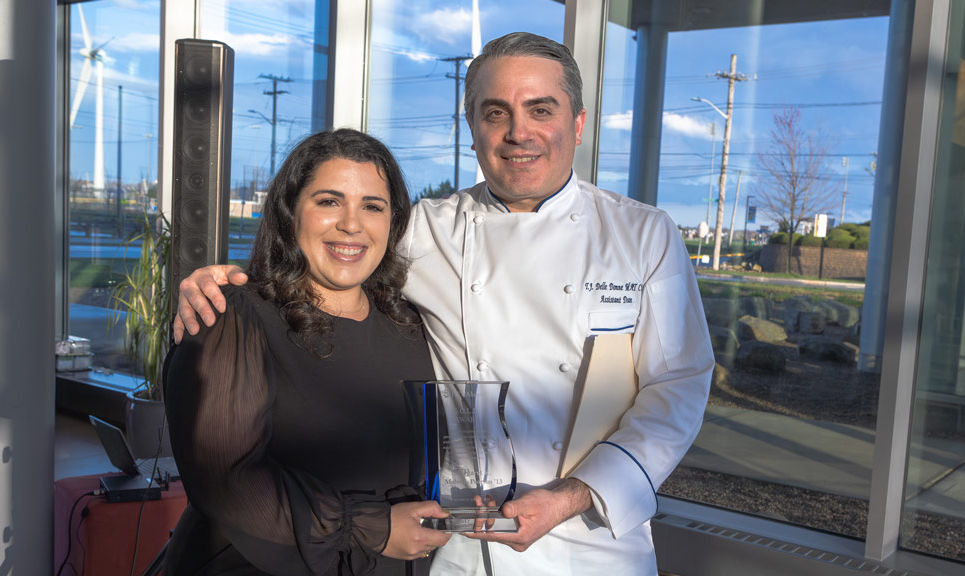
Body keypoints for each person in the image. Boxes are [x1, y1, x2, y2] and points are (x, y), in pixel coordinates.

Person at [174, 33, 713, 576]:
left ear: (577, 123)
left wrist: (572, 495)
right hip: (454, 547)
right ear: (472, 129)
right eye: (495, 112)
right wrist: (221, 283)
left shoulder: (642, 234)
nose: (518, 132)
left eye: (540, 110)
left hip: (591, 539)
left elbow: (678, 387)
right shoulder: (426, 229)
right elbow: (336, 250)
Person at [162, 128, 451, 576]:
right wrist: (373, 529)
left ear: (392, 224)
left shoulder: (412, 325)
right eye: (329, 201)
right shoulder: (234, 318)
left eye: (372, 206)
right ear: (289, 213)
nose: (351, 224)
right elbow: (227, 483)